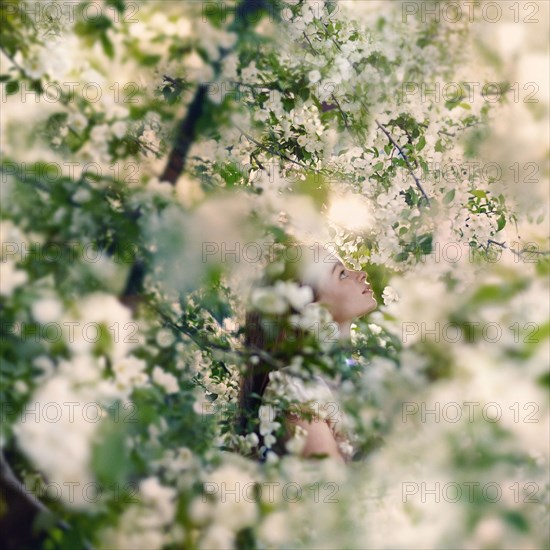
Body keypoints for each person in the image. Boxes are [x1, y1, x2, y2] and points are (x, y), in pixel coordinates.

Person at [236, 242, 377, 463]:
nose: (360, 274)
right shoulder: (294, 388)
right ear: (312, 311)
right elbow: (333, 488)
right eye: (341, 274)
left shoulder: (358, 377)